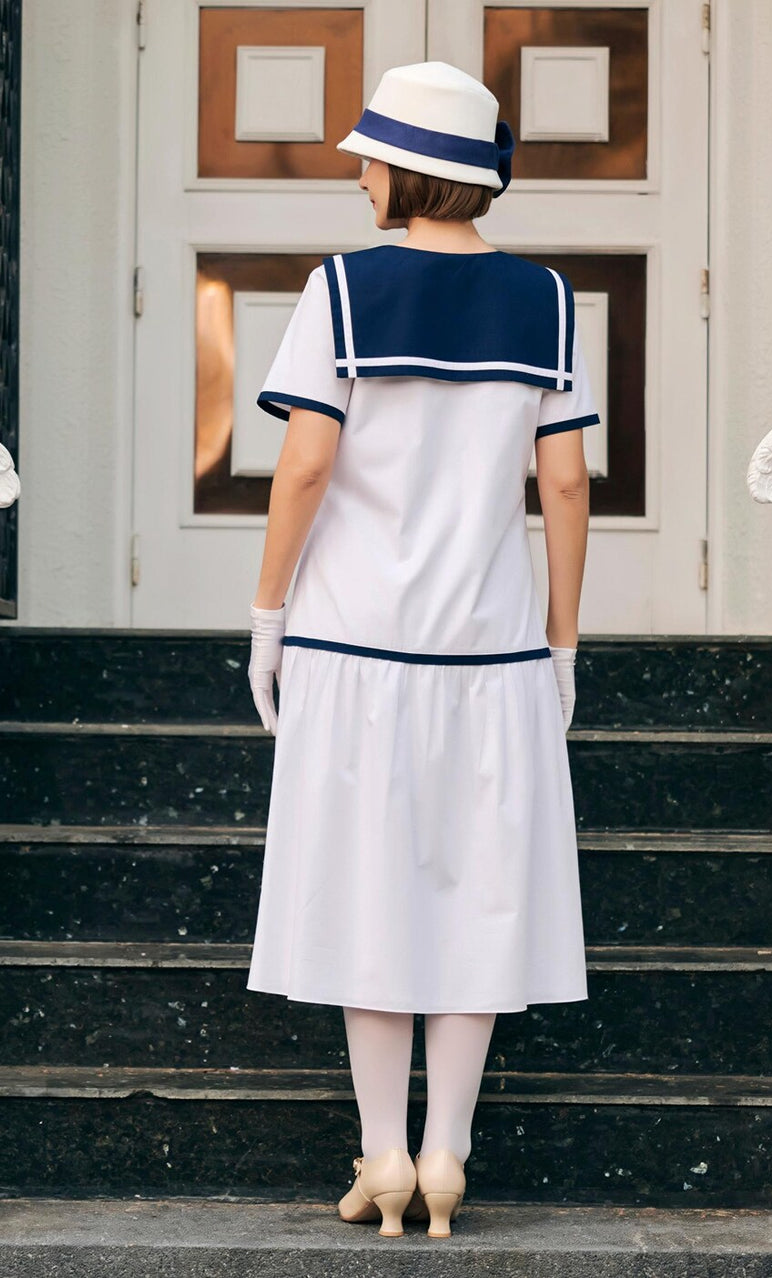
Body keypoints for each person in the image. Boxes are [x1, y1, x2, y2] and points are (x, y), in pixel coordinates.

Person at [243, 62, 595, 1239]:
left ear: (402, 168)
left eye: (366, 153)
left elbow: (303, 464)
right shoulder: (544, 301)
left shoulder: (340, 290)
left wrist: (266, 612)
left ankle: (382, 1156)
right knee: (476, 897)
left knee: (366, 897)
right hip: (490, 651)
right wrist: (560, 643)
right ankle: (446, 1156)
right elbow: (561, 481)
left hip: (353, 645)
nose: (355, 169)